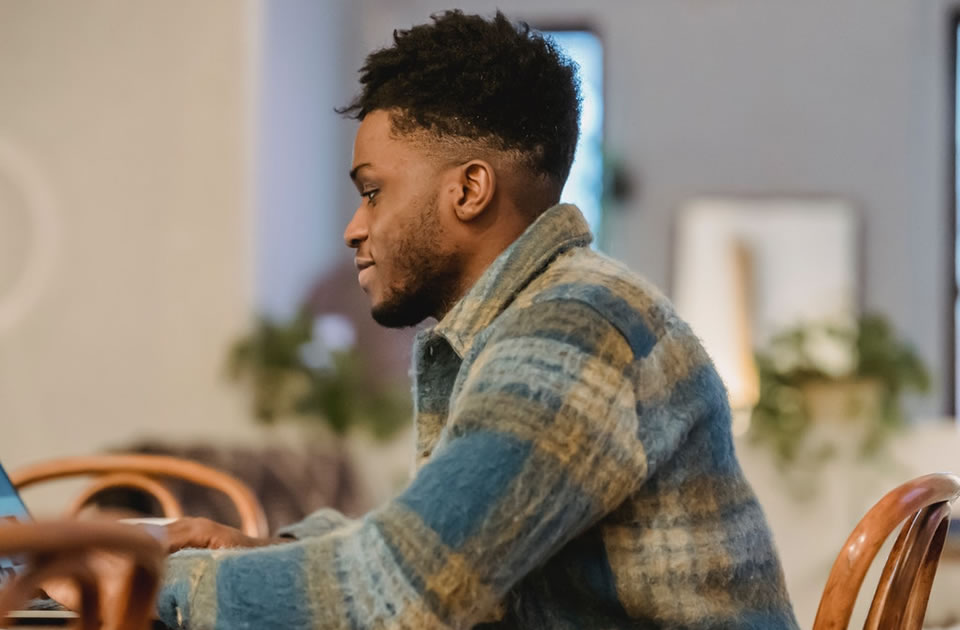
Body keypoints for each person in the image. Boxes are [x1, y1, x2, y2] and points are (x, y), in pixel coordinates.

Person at [48, 10, 797, 628]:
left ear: (468, 190)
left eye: (372, 191)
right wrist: (261, 551)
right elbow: (441, 556)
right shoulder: (534, 316)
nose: (354, 227)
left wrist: (147, 584)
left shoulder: (571, 332)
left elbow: (405, 594)